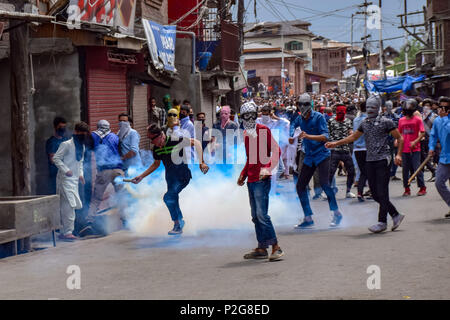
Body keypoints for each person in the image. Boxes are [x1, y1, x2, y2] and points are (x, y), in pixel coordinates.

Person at [326, 96, 405, 234]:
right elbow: (353, 137)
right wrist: (336, 143)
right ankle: (395, 214)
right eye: (368, 107)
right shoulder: (364, 123)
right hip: (370, 159)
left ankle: (382, 222)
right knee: (374, 193)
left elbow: (399, 137)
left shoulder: (386, 122)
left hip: (383, 159)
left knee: (382, 191)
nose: (370, 110)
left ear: (379, 108)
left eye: (373, 107)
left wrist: (398, 154)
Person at [132, 124, 209, 235]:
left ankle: (178, 225)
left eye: (152, 139)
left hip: (182, 176)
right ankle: (179, 222)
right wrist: (141, 176)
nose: (151, 142)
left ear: (161, 136)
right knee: (173, 198)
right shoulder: (157, 150)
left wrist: (201, 162)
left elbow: (196, 143)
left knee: (168, 197)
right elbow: (155, 164)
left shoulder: (176, 141)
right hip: (170, 179)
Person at [237, 101, 284, 261]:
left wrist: (268, 168)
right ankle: (262, 247)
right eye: (245, 116)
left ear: (256, 115)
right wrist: (243, 174)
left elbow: (277, 150)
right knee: (255, 216)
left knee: (262, 215)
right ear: (242, 117)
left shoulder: (263, 130)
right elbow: (251, 157)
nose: (248, 118)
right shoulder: (247, 134)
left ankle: (276, 247)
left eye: (251, 115)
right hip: (251, 179)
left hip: (262, 179)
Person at [289, 93, 343, 229]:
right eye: (300, 104)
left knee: (325, 184)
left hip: (322, 155)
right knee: (300, 186)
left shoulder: (319, 117)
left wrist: (308, 136)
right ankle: (308, 218)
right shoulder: (299, 118)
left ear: (310, 105)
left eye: (305, 104)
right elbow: (292, 125)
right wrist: (291, 135)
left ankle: (336, 213)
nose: (302, 107)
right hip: (309, 156)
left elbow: (325, 136)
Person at [79, 120, 124, 237]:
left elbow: (88, 150)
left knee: (96, 198)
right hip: (118, 170)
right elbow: (120, 152)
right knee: (121, 195)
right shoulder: (115, 136)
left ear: (98, 126)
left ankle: (89, 221)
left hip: (104, 171)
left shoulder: (93, 136)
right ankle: (125, 219)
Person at [53, 122, 90, 241]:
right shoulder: (66, 144)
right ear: (76, 132)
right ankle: (68, 232)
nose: (83, 136)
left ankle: (64, 231)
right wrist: (66, 170)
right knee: (70, 205)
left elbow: (80, 162)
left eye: (85, 134)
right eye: (81, 133)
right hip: (64, 180)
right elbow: (56, 158)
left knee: (68, 206)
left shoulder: (82, 146)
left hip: (74, 181)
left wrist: (81, 175)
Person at [398, 99, 427, 196]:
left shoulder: (417, 119)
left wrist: (415, 141)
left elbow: (423, 133)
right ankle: (407, 188)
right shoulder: (401, 120)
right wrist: (396, 141)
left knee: (417, 168)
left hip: (416, 148)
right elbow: (399, 134)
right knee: (405, 170)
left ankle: (422, 187)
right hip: (404, 148)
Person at [327, 105, 356, 198]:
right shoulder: (331, 121)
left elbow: (351, 132)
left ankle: (348, 191)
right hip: (334, 151)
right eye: (339, 111)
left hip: (345, 150)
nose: (341, 113)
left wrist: (351, 133)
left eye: (342, 112)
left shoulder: (348, 121)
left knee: (351, 171)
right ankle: (327, 191)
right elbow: (327, 134)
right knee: (330, 172)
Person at [428, 96, 450, 219]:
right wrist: (431, 147)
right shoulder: (437, 121)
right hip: (445, 157)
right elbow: (433, 135)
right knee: (439, 183)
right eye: (441, 107)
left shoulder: (444, 119)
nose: (442, 109)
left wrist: (445, 118)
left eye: (445, 107)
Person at [46, 117, 68, 194]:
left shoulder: (66, 140)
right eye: (60, 127)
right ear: (55, 127)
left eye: (64, 127)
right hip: (55, 175)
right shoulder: (52, 142)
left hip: (66, 175)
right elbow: (53, 160)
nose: (63, 129)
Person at [352, 101, 368, 202]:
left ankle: (360, 192)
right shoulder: (367, 120)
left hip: (357, 148)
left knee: (363, 171)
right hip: (367, 148)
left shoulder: (356, 120)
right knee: (369, 171)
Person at [422, 99, 438, 182]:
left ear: (431, 107)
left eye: (428, 105)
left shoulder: (435, 116)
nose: (426, 107)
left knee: (434, 157)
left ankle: (436, 172)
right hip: (423, 139)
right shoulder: (421, 116)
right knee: (424, 157)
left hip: (432, 139)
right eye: (424, 105)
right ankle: (434, 171)